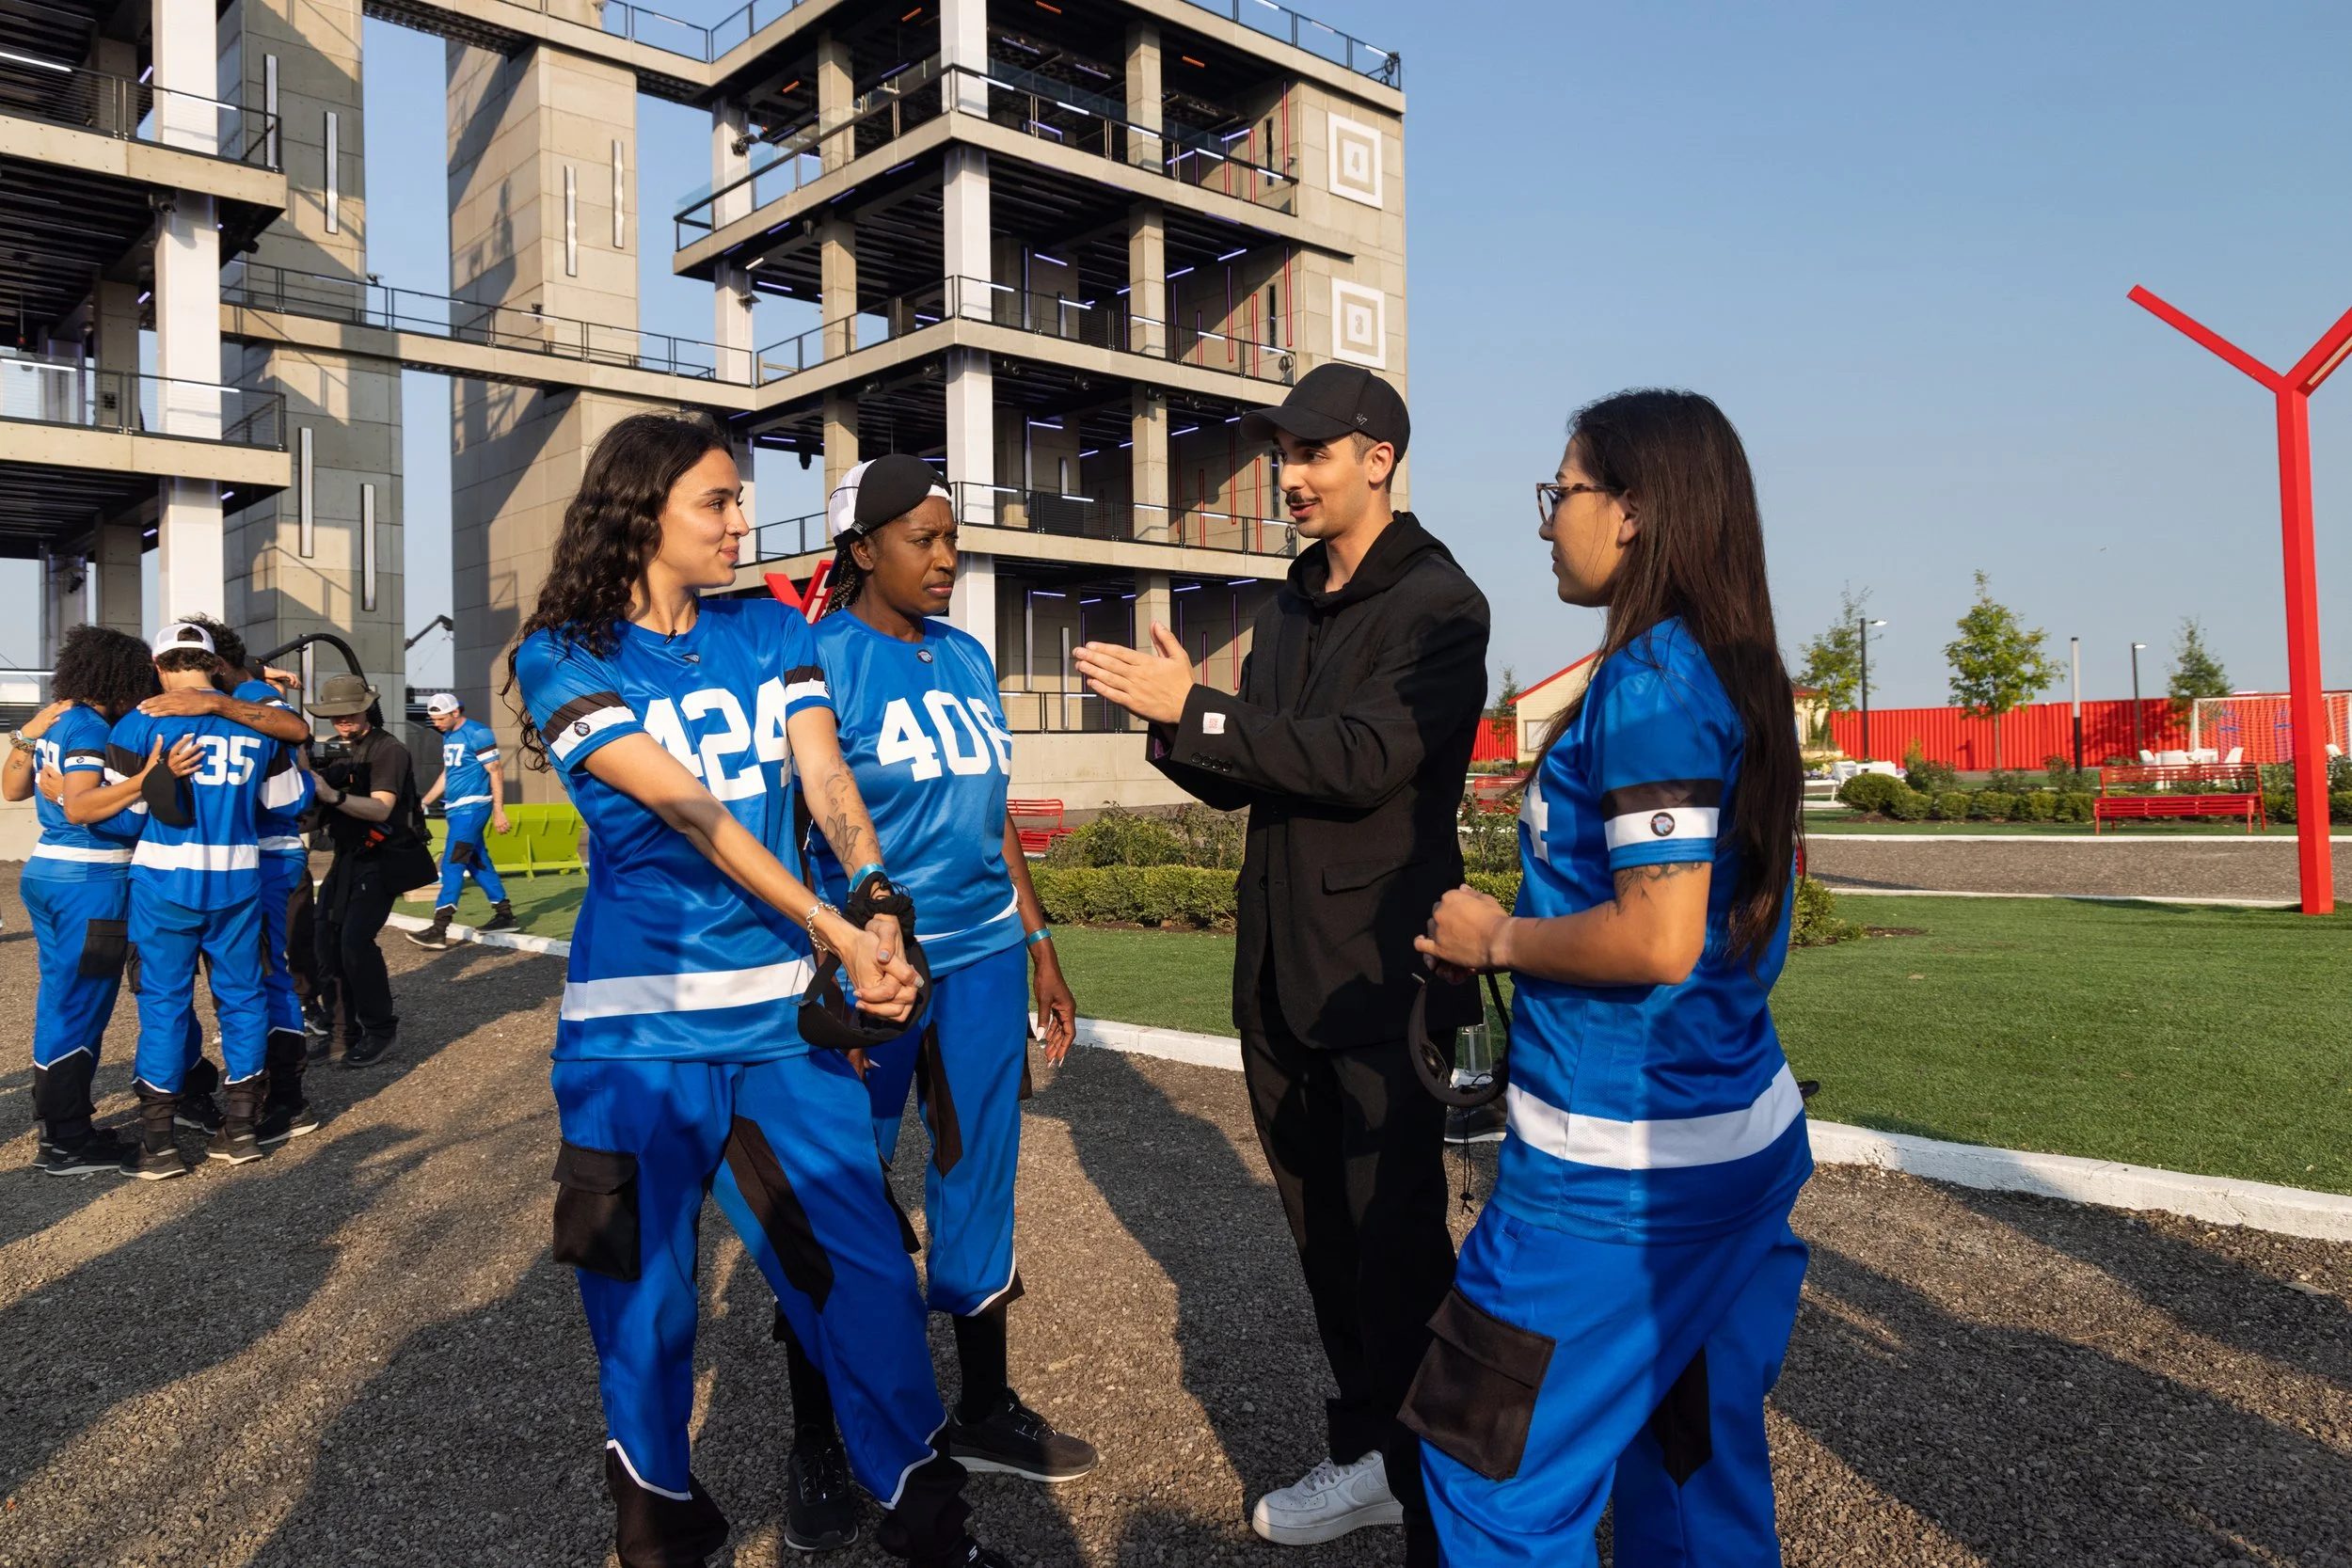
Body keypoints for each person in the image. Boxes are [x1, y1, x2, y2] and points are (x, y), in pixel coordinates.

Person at [509, 413, 1019, 1568]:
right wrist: (832, 922)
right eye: (718, 501)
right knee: (643, 1307)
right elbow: (691, 810)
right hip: (635, 1044)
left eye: (740, 498)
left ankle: (927, 1522)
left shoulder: (765, 627)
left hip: (777, 1037)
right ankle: (658, 1529)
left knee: (870, 1275)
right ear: (641, 512)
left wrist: (877, 892)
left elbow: (823, 770)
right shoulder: (563, 654)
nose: (743, 521)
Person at [1073, 363, 1488, 1566]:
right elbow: (1264, 768)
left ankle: (1436, 1480)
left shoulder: (1441, 606)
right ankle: (1373, 1453)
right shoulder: (1296, 599)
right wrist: (1170, 720)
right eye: (1282, 454)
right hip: (1279, 970)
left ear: (1380, 456)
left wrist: (1199, 708)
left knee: (1396, 1233)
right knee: (1323, 1234)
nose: (1289, 476)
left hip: (1382, 971)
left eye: (1313, 453)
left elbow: (1362, 759)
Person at [1409, 389, 1810, 1565]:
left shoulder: (1651, 682)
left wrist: (1495, 939)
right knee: (1687, 1466)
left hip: (1614, 1181)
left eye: (1563, 492)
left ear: (1631, 511)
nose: (1547, 522)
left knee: (1488, 1472)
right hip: (1740, 1145)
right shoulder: (1738, 667)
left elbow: (1657, 937)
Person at [773, 456, 1091, 1551]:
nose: (947, 556)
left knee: (977, 1177)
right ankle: (817, 1440)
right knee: (838, 1207)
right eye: (922, 537)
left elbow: (989, 811)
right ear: (862, 548)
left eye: (952, 537)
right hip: (874, 978)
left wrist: (1041, 942)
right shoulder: (817, 660)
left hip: (987, 961)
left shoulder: (964, 654)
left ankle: (985, 1407)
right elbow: (791, 833)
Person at [104, 622, 310, 1176]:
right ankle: (241, 1128)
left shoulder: (138, 722)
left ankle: (159, 1143)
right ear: (214, 663)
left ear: (159, 665)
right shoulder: (255, 723)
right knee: (243, 998)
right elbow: (290, 801)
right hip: (238, 879)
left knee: (164, 1003)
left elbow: (123, 817)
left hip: (163, 884)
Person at [3, 626, 166, 1175]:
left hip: (47, 872)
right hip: (90, 883)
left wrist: (25, 738)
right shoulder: (92, 726)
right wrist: (145, 780)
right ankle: (67, 1140)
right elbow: (80, 807)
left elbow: (11, 789)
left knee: (59, 1000)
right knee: (81, 1005)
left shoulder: (60, 718)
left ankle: (58, 1127)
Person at [305, 673, 432, 1069]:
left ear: (367, 709)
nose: (342, 721)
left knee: (355, 943)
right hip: (348, 855)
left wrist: (330, 793)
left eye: (350, 713)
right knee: (324, 940)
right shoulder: (336, 750)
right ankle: (344, 1030)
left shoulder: (387, 749)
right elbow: (316, 813)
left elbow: (380, 807)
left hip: (384, 855)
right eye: (335, 715)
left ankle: (379, 1030)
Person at [406, 690, 516, 948]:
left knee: (452, 863)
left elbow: (496, 771)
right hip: (456, 809)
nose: (436, 723)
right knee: (477, 860)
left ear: (456, 712)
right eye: (433, 719)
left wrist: (499, 810)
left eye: (441, 718)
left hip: (473, 808)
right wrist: (424, 801)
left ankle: (439, 927)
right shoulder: (449, 734)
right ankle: (504, 914)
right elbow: (448, 774)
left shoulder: (478, 733)